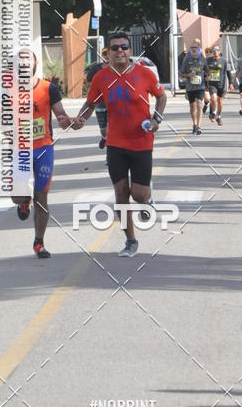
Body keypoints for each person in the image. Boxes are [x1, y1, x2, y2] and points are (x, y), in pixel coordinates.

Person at [73, 31, 167, 257]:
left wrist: (156, 119)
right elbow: (90, 102)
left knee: (138, 194)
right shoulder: (101, 78)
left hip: (142, 142)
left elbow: (161, 96)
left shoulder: (145, 74)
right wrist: (80, 119)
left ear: (130, 51)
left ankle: (147, 199)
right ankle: (131, 241)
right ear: (108, 53)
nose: (119, 51)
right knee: (121, 193)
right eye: (114, 48)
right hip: (115, 143)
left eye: (123, 47)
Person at [11, 52, 72, 258]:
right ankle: (23, 201)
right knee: (18, 194)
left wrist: (67, 120)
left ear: (35, 63)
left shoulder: (48, 88)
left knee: (42, 196)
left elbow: (60, 114)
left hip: (44, 148)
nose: (25, 63)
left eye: (28, 60)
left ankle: (39, 242)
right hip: (20, 150)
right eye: (21, 61)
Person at [180, 39, 207, 135]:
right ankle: (194, 124)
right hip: (190, 87)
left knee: (199, 103)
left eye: (195, 47)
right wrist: (189, 75)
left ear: (199, 48)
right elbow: (181, 74)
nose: (194, 49)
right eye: (192, 48)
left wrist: (208, 77)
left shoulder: (203, 59)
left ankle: (199, 126)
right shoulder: (186, 59)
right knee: (192, 106)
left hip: (200, 86)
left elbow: (207, 72)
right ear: (190, 49)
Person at [85, 46, 109, 148]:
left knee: (110, 129)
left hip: (112, 104)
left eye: (108, 53)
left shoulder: (116, 69)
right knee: (103, 129)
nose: (107, 56)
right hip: (99, 103)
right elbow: (88, 81)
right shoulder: (96, 68)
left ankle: (110, 154)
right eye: (104, 54)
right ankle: (104, 138)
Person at [206, 43, 234, 126]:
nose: (215, 52)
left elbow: (229, 73)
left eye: (217, 51)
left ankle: (219, 116)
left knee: (220, 102)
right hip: (211, 84)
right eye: (213, 51)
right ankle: (214, 113)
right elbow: (204, 71)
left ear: (219, 52)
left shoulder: (224, 61)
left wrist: (231, 83)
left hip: (221, 84)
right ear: (212, 52)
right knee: (213, 98)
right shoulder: (207, 61)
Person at [203, 46, 214, 118]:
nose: (208, 53)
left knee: (212, 97)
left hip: (213, 82)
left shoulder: (214, 61)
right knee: (207, 98)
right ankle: (206, 104)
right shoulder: (203, 61)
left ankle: (211, 113)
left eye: (210, 52)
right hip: (205, 81)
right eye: (206, 52)